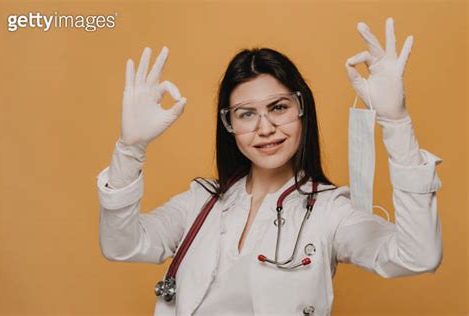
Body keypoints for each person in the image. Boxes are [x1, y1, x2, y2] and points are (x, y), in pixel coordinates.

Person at [96, 17, 443, 316]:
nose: (265, 128)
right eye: (247, 114)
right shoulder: (199, 202)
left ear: (301, 108)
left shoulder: (329, 211)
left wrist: (396, 123)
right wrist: (131, 148)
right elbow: (122, 246)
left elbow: (417, 256)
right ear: (228, 124)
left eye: (278, 107)